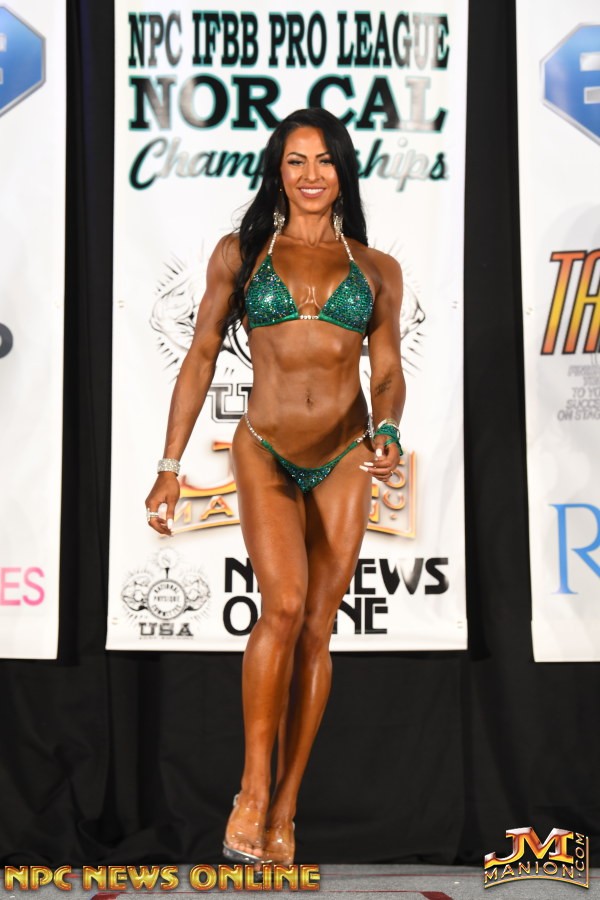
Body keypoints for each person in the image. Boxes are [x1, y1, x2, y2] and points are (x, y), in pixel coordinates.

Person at [145, 108, 405, 866]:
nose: (311, 175)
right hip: (264, 448)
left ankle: (287, 810)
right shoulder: (243, 253)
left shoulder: (377, 269)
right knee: (283, 605)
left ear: (343, 171)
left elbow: (388, 371)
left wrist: (388, 428)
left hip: (346, 452)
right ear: (278, 172)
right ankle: (253, 790)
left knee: (318, 628)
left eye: (323, 160)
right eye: (296, 161)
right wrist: (169, 466)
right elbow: (199, 357)